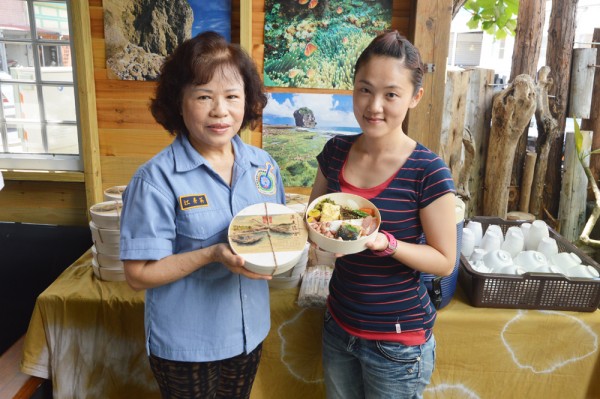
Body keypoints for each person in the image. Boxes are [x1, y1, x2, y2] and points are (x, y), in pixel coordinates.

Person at [119, 31, 285, 399]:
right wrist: (211, 254)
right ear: (179, 102)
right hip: (187, 342)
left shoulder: (264, 167)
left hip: (248, 331)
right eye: (204, 96)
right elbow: (137, 274)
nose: (220, 111)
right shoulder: (155, 180)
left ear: (248, 101)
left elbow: (278, 233)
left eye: (231, 96)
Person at [308, 30, 457, 399]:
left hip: (397, 343)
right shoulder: (335, 152)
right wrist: (316, 240)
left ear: (414, 97)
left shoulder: (428, 170)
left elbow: (443, 261)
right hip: (338, 324)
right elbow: (313, 221)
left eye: (391, 94)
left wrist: (384, 242)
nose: (374, 105)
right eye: (364, 89)